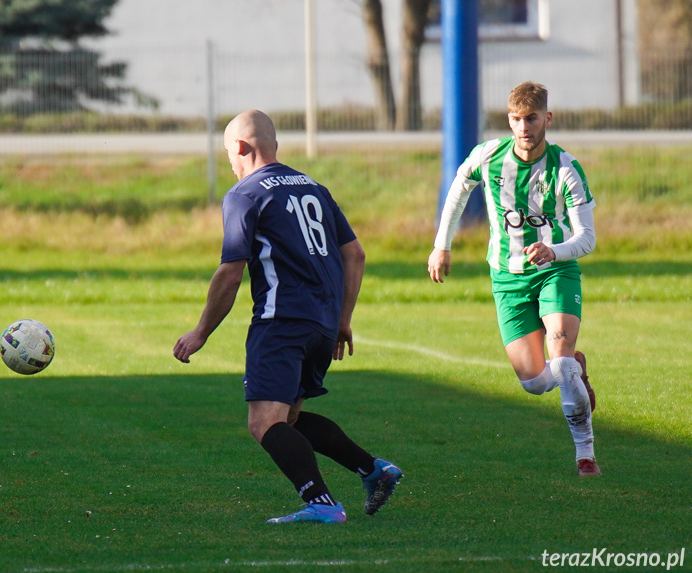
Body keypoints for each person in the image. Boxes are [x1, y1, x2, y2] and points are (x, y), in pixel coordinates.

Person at [173, 109, 402, 523]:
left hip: (282, 321)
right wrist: (343, 318)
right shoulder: (313, 186)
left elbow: (231, 269)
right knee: (290, 419)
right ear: (274, 146)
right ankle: (374, 469)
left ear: (241, 148)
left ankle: (322, 504)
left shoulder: (245, 194)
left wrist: (201, 331)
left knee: (264, 423)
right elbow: (355, 254)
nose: (229, 160)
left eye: (228, 152)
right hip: (323, 322)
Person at [427, 82, 601, 477]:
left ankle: (585, 454)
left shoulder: (566, 168)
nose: (523, 127)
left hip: (555, 271)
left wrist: (554, 251)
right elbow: (457, 192)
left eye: (532, 118)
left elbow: (587, 237)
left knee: (559, 356)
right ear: (509, 119)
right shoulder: (489, 156)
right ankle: (574, 365)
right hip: (507, 278)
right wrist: (442, 245)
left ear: (547, 118)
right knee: (536, 383)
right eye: (516, 119)